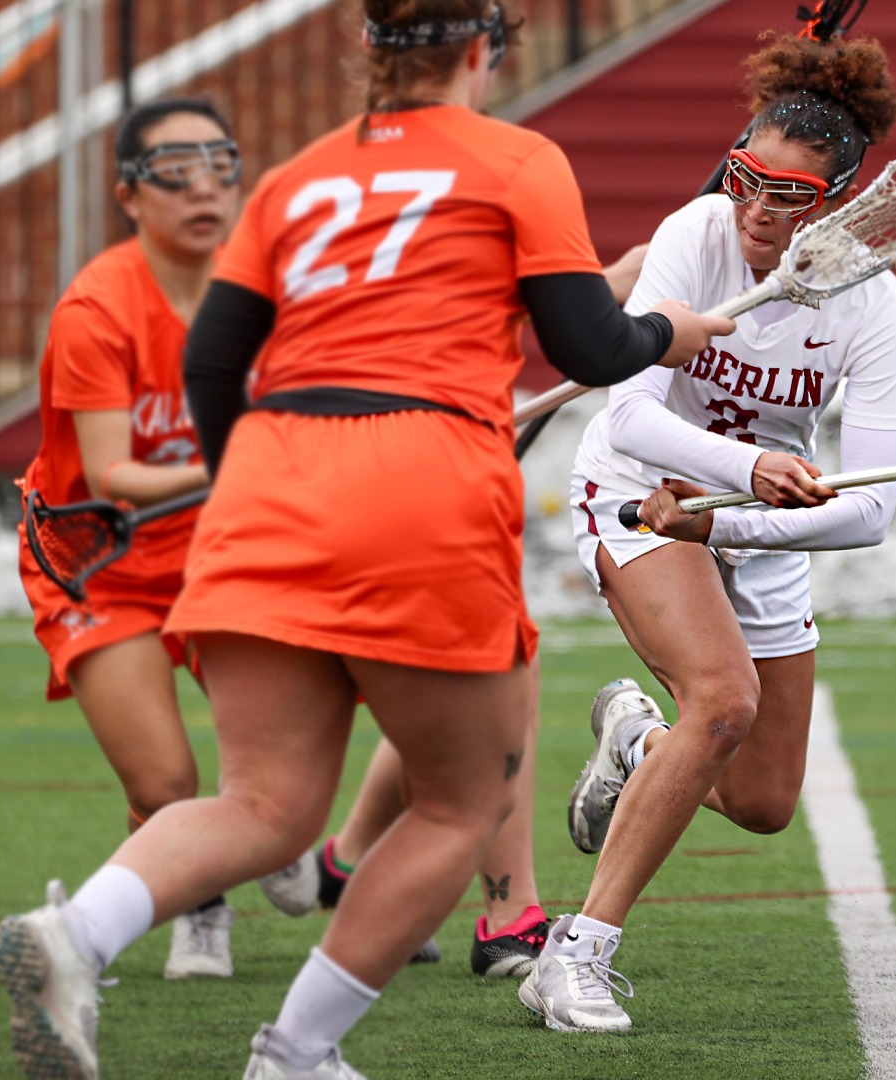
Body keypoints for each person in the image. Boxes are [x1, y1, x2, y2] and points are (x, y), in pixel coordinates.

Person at [0, 2, 732, 1077]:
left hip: (264, 488)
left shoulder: (295, 180)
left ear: (374, 49)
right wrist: (670, 329)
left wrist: (258, 477)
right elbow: (589, 345)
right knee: (460, 801)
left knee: (262, 804)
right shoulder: (520, 160)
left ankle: (75, 937)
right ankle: (296, 1052)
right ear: (479, 50)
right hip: (421, 486)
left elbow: (214, 364)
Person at [516, 30, 896, 1032]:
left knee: (766, 801)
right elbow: (629, 415)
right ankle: (574, 957)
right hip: (638, 491)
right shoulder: (696, 233)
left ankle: (637, 740)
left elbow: (870, 509)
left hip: (746, 522)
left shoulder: (873, 302)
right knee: (725, 702)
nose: (759, 211)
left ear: (840, 201)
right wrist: (738, 478)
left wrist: (734, 517)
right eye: (747, 180)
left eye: (791, 195)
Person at [256, 241, 648, 981]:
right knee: (492, 668)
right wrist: (627, 313)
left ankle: (347, 863)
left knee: (451, 676)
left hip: (403, 464)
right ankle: (506, 916)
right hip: (385, 474)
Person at [13, 96, 244, 981]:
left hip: (217, 552)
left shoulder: (255, 294)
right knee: (164, 783)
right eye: (173, 172)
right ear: (129, 195)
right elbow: (114, 476)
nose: (203, 188)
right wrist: (239, 452)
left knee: (289, 748)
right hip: (98, 563)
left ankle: (314, 858)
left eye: (219, 165)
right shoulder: (97, 309)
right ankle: (203, 899)